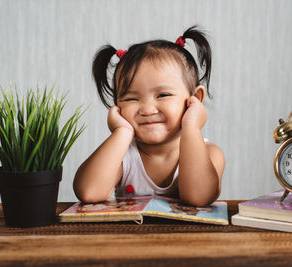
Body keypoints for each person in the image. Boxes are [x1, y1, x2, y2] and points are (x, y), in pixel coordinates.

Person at [73, 25, 225, 207]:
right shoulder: (124, 156)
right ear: (117, 106)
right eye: (130, 98)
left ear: (195, 99)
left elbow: (198, 197)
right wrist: (121, 132)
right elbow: (88, 191)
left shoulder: (209, 154)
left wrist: (192, 128)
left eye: (163, 95)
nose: (147, 109)